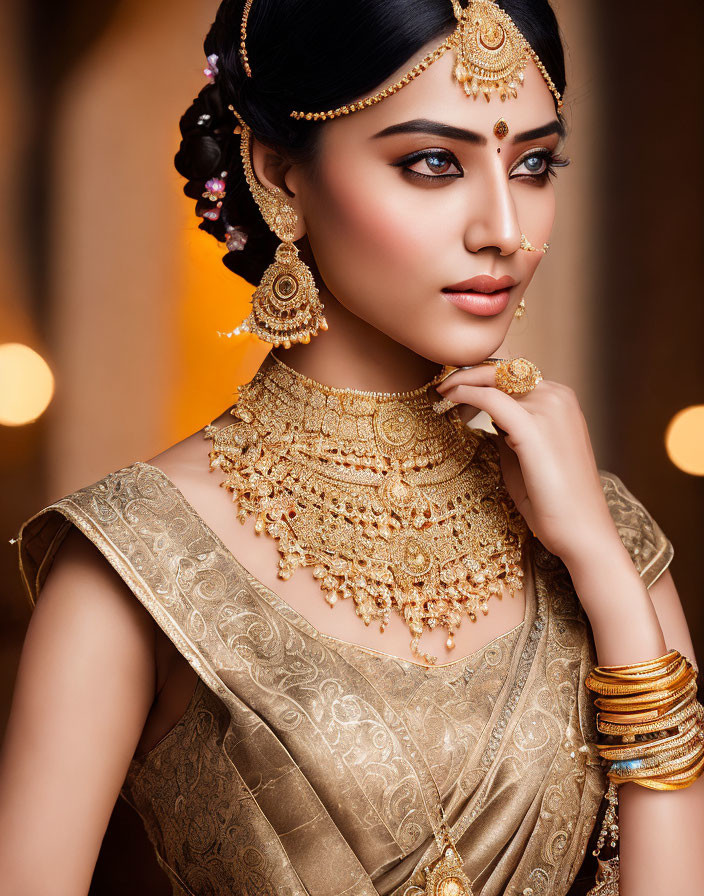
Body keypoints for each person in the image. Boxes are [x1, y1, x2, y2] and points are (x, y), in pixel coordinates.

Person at [1, 1, 703, 894]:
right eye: (433, 164)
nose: (504, 229)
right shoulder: (135, 555)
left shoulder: (596, 531)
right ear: (280, 173)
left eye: (533, 164)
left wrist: (604, 567)